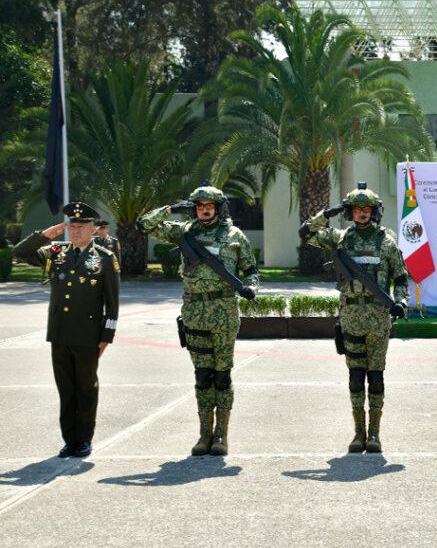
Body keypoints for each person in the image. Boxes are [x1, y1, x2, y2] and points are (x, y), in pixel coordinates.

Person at [140, 184, 258, 456]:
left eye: (210, 206)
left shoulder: (234, 236)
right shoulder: (184, 232)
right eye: (199, 205)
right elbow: (145, 225)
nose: (205, 210)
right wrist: (172, 209)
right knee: (202, 375)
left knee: (222, 375)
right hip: (194, 311)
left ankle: (221, 435)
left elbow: (251, 271)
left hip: (224, 312)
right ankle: (204, 434)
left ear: (218, 208)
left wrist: (251, 287)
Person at [299, 184, 409, 453]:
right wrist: (331, 211)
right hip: (351, 315)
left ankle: (375, 434)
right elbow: (306, 233)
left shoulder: (387, 242)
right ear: (350, 212)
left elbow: (402, 277)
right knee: (356, 376)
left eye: (367, 209)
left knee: (377, 375)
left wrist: (401, 301)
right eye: (357, 209)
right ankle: (358, 433)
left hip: (378, 316)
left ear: (374, 212)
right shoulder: (340, 238)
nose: (362, 214)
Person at [12, 202, 119, 458]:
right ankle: (69, 440)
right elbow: (20, 252)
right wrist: (44, 235)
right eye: (72, 226)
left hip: (88, 335)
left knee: (85, 388)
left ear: (93, 229)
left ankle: (84, 440)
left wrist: (106, 337)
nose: (75, 231)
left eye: (81, 227)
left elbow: (112, 304)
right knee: (66, 389)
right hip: (60, 333)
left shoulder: (104, 258)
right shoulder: (56, 252)